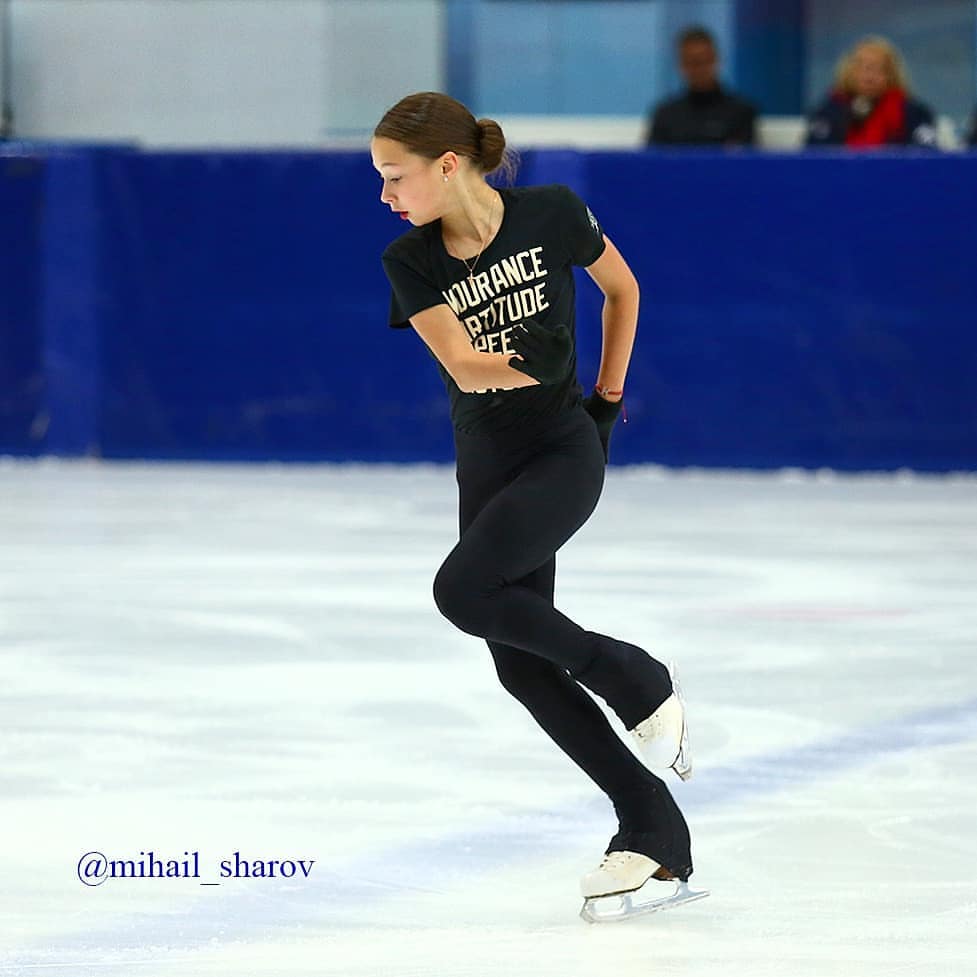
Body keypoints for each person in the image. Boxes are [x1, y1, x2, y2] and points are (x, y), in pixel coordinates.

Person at [372, 91, 707, 923]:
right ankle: (652, 825)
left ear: (448, 164)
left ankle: (631, 674)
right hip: (487, 467)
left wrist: (606, 399)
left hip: (561, 451)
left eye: (395, 174)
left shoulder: (550, 213)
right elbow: (464, 364)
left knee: (462, 591)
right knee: (517, 663)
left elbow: (620, 289)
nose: (385, 193)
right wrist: (528, 359)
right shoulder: (411, 259)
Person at [806, 36, 937, 148]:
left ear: (892, 74)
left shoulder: (915, 114)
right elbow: (813, 157)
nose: (868, 77)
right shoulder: (827, 112)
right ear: (848, 71)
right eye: (861, 67)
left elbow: (927, 157)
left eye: (877, 69)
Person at [647, 26, 757, 147]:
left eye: (704, 61)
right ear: (681, 65)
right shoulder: (665, 115)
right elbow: (652, 157)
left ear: (716, 60)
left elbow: (744, 156)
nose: (698, 69)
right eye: (692, 62)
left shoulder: (741, 113)